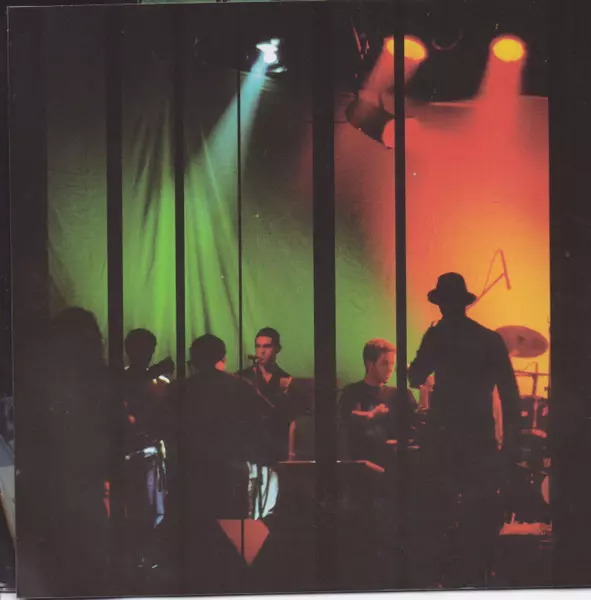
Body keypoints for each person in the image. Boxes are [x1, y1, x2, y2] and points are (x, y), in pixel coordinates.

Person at [408, 272, 521, 588]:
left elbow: (414, 376)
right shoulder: (489, 339)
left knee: (441, 511)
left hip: (444, 436)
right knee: (478, 510)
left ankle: (444, 578)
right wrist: (511, 445)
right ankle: (475, 576)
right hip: (479, 436)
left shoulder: (437, 336)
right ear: (465, 304)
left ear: (441, 305)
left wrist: (428, 342)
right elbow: (510, 395)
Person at [121, 329, 173, 566]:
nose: (147, 354)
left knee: (154, 507)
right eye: (143, 350)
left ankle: (145, 557)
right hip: (132, 454)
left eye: (149, 350)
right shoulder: (125, 379)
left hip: (150, 453)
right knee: (137, 508)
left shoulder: (159, 383)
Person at [339, 338, 417, 466]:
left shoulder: (402, 394)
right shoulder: (353, 391)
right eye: (385, 363)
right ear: (370, 364)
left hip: (399, 462)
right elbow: (349, 416)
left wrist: (426, 391)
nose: (390, 369)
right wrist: (372, 415)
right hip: (366, 464)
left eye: (392, 364)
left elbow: (419, 424)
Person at [237, 327, 296, 461]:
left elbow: (291, 419)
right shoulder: (243, 377)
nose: (261, 351)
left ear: (277, 349)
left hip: (275, 445)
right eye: (258, 346)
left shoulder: (285, 379)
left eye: (267, 346)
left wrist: (291, 453)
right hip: (247, 445)